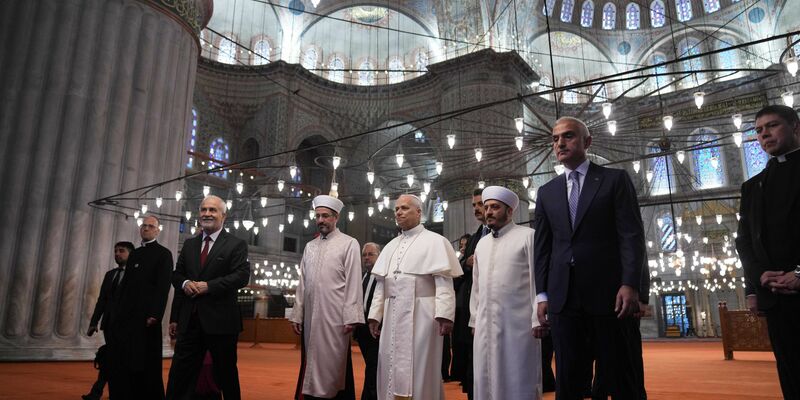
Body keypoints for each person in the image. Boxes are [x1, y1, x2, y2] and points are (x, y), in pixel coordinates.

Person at [534, 117, 646, 399]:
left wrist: (630, 284)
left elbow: (631, 236)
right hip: (564, 299)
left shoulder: (614, 180)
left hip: (610, 297)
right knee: (569, 380)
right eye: (555, 138)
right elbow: (543, 248)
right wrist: (542, 294)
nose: (560, 143)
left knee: (622, 376)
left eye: (568, 136)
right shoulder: (547, 192)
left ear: (587, 142)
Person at [367, 194, 463, 400]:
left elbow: (444, 283)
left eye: (404, 208)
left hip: (423, 315)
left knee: (422, 365)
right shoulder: (391, 246)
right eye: (396, 209)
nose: (398, 212)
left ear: (419, 212)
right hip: (392, 314)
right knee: (388, 362)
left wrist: (445, 315)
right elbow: (381, 285)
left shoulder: (436, 241)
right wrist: (375, 316)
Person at [736, 104, 800, 398]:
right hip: (776, 297)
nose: (765, 135)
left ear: (795, 127)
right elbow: (745, 242)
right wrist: (757, 279)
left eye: (772, 126)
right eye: (759, 131)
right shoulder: (753, 187)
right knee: (792, 374)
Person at [167, 195, 251, 400]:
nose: (207, 214)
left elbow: (241, 276)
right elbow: (177, 275)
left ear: (224, 215)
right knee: (179, 375)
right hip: (190, 321)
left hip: (221, 322)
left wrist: (209, 287)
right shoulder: (190, 244)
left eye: (212, 210)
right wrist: (185, 284)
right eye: (203, 209)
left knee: (226, 375)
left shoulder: (236, 244)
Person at [469, 186, 544, 399]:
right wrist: (475, 319)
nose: (489, 211)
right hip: (485, 323)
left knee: (519, 375)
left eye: (495, 207)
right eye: (487, 207)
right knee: (485, 376)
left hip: (519, 324)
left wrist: (537, 318)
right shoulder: (481, 244)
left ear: (510, 211)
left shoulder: (528, 236)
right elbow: (477, 286)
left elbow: (536, 281)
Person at [291, 195, 364, 400]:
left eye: (325, 216)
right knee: (311, 360)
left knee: (334, 365)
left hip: (335, 318)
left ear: (336, 217)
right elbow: (302, 283)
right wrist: (298, 314)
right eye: (318, 216)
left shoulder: (349, 243)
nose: (321, 220)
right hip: (311, 318)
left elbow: (353, 281)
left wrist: (351, 316)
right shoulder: (310, 246)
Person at [109, 215, 173, 399]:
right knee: (127, 359)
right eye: (143, 225)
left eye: (150, 226)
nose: (146, 228)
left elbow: (163, 286)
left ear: (157, 230)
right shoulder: (135, 254)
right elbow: (126, 285)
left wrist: (155, 313)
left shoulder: (164, 254)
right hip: (128, 316)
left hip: (147, 318)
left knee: (146, 361)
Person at [83, 241, 135, 400]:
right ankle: (100, 392)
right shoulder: (110, 274)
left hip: (128, 326)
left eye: (122, 251)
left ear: (131, 254)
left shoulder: (136, 275)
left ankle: (99, 391)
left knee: (119, 360)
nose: (117, 254)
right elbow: (102, 300)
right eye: (116, 251)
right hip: (109, 324)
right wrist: (94, 322)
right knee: (110, 358)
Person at [452, 189, 487, 400]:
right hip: (471, 310)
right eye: (474, 205)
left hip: (495, 308)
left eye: (480, 204)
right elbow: (461, 269)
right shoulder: (475, 238)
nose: (477, 208)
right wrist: (466, 263)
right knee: (473, 366)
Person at [354, 242, 381, 400]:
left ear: (379, 255)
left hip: (377, 329)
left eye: (371, 254)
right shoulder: (363, 276)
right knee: (371, 365)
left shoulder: (382, 277)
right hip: (363, 331)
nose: (366, 258)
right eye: (364, 255)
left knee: (373, 366)